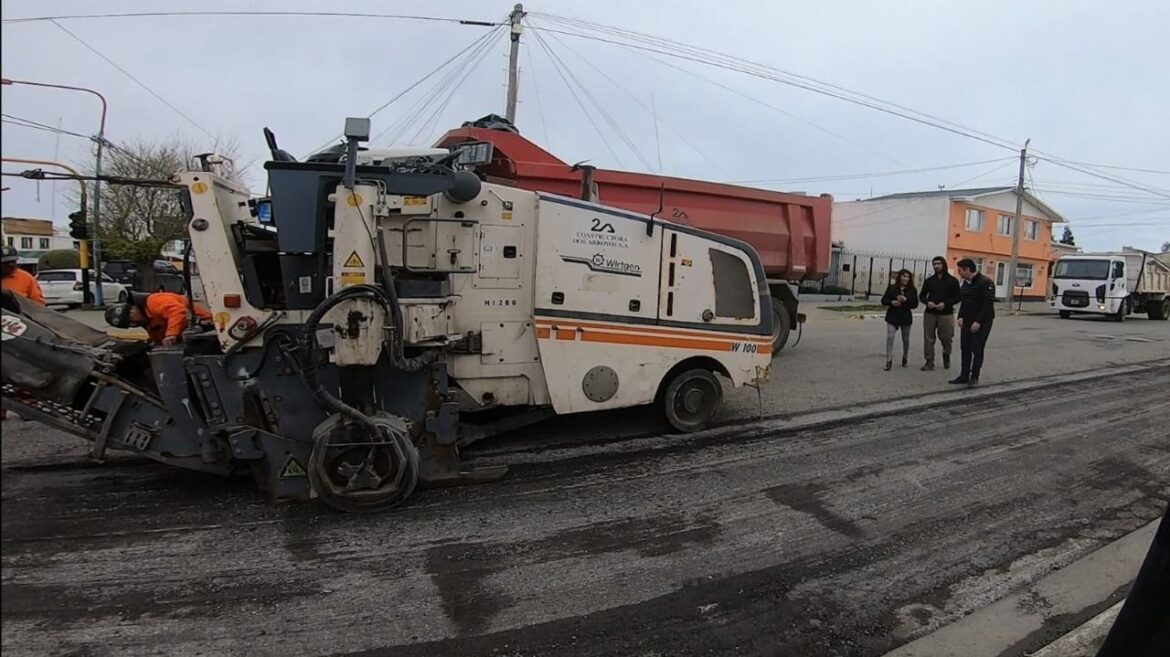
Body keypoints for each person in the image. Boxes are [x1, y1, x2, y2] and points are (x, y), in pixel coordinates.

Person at [105, 291, 212, 346]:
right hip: (190, 338)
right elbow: (158, 339)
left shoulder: (154, 301)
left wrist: (171, 334)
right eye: (129, 325)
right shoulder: (147, 321)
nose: (133, 325)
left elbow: (178, 311)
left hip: (207, 328)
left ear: (132, 309)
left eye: (130, 321)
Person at [951, 258, 996, 386]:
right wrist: (960, 316)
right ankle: (964, 375)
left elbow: (987, 304)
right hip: (967, 320)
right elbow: (964, 301)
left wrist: (978, 321)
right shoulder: (966, 283)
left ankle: (974, 376)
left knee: (977, 348)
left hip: (982, 321)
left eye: (960, 270)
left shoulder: (986, 283)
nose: (958, 273)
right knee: (965, 347)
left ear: (967, 269)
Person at [918, 256, 961, 371]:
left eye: (939, 264)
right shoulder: (929, 280)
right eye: (934, 264)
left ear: (944, 264)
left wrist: (946, 304)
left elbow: (958, 297)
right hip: (930, 313)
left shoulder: (952, 281)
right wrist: (928, 302)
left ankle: (946, 355)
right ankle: (929, 361)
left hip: (946, 314)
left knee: (946, 337)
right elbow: (922, 295)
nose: (936, 266)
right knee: (928, 338)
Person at [880, 268, 919, 371]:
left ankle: (905, 357)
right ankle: (889, 360)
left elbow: (915, 304)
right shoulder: (892, 288)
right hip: (893, 315)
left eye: (908, 276)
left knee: (905, 338)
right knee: (890, 337)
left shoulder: (912, 290)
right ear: (899, 277)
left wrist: (906, 300)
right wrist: (891, 302)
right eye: (903, 276)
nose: (905, 278)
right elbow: (884, 300)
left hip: (905, 316)